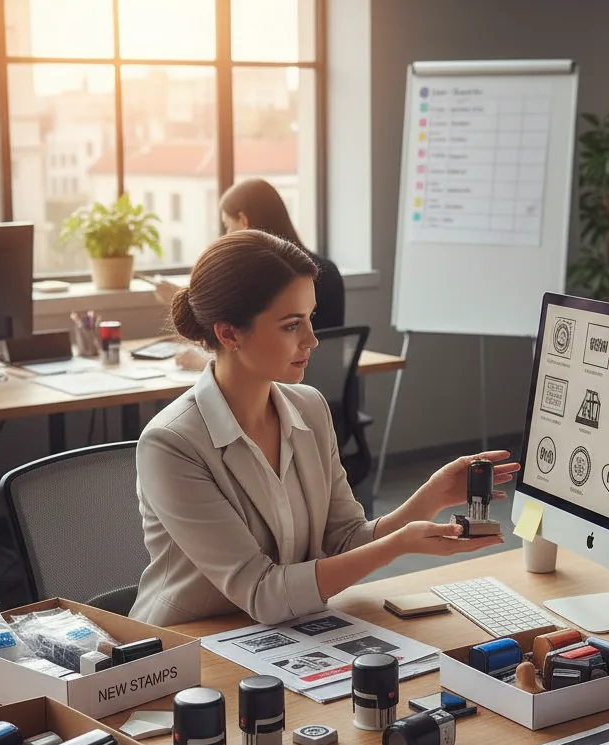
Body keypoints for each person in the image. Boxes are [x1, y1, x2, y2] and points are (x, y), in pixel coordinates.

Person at [130, 229, 515, 627]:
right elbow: (263, 593)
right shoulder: (170, 444)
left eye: (310, 318)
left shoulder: (309, 408)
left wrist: (430, 497)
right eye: (291, 325)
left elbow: (345, 539)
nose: (312, 339)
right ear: (228, 333)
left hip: (283, 635)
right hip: (189, 648)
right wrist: (397, 546)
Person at [155, 178, 345, 370]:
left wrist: (207, 363)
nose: (312, 340)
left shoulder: (270, 282)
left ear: (244, 221)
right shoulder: (326, 269)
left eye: (227, 226)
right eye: (292, 324)